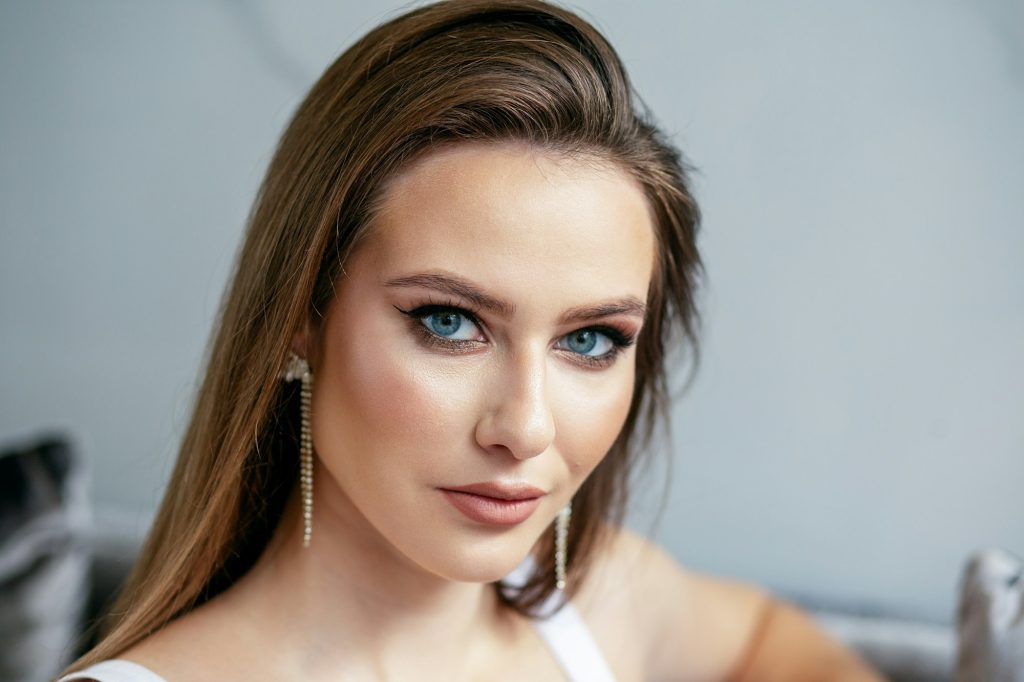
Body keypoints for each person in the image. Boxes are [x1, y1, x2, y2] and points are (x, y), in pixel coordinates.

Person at [61, 1, 882, 680]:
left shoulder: (604, 604)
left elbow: (771, 639)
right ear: (298, 318)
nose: (525, 428)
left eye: (592, 340)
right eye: (449, 323)